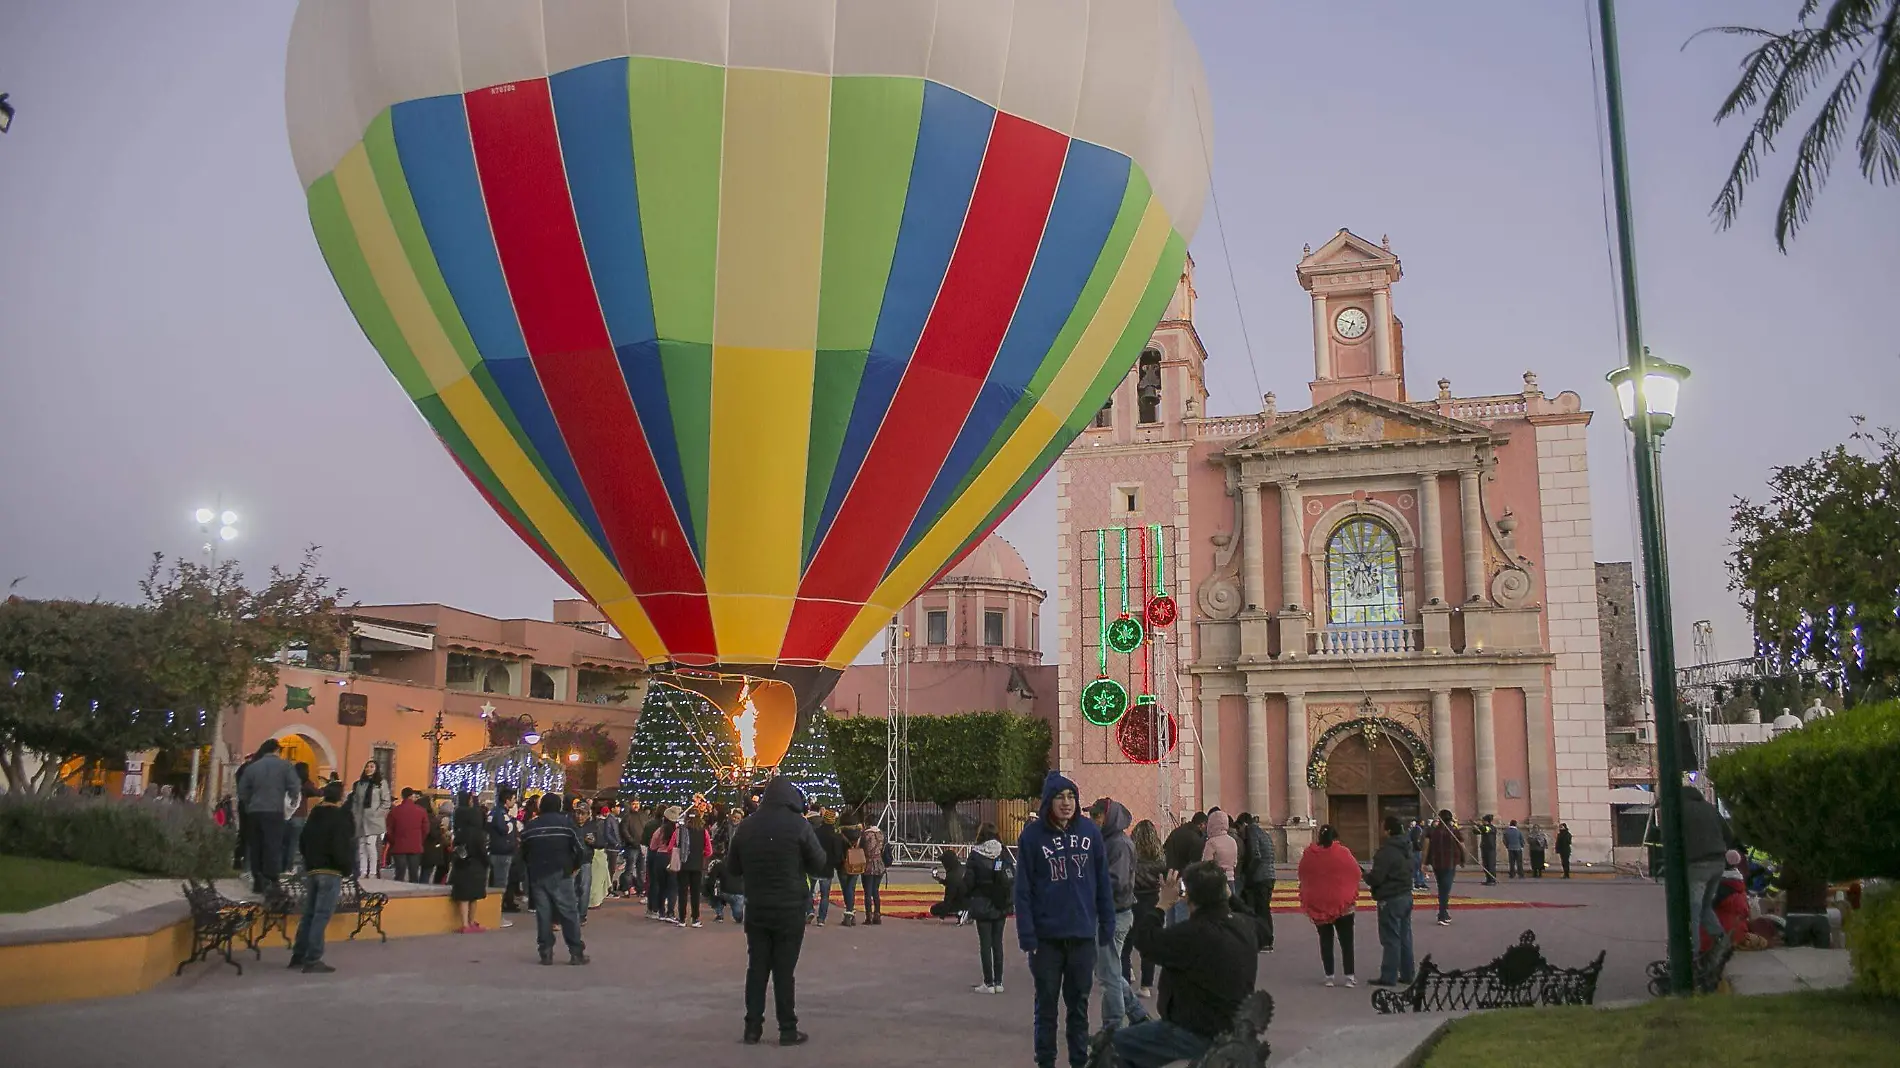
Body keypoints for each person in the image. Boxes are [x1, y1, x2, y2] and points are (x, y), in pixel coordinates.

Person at [1110, 862, 1259, 1068]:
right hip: (1233, 1026)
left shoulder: (1193, 933)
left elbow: (1145, 941)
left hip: (1196, 1030)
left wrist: (1161, 905)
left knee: (1117, 1044)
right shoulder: (1245, 926)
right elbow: (1261, 925)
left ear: (1189, 896)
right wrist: (1230, 897)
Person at [1015, 771, 1113, 1068]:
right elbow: (1022, 890)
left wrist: (1106, 923)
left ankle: (1078, 1062)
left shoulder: (1090, 833)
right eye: (1060, 797)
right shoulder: (1031, 837)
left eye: (1071, 797)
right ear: (1048, 801)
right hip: (1046, 941)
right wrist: (1027, 936)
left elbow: (1102, 883)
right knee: (1046, 1008)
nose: (1067, 803)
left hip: (1082, 937)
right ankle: (1045, 1061)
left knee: (1079, 1008)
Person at [726, 775, 828, 1047]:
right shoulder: (799, 826)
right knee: (784, 971)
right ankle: (787, 1028)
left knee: (756, 968)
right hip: (790, 907)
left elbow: (733, 868)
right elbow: (819, 863)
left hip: (757, 907)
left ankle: (752, 1029)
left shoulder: (746, 827)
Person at [1089, 798, 1152, 1031]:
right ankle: (1135, 1013)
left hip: (1115, 914)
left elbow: (1117, 881)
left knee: (1108, 975)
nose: (1092, 819)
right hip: (1107, 913)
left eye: (1096, 815)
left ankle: (1114, 1026)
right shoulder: (1106, 841)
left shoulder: (1119, 844)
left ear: (1108, 817)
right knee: (1109, 970)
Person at [289, 780, 355, 973]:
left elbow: (302, 842)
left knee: (309, 914)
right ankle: (313, 958)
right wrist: (346, 867)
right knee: (321, 915)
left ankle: (298, 954)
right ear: (340, 797)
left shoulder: (314, 815)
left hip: (312, 870)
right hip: (331, 870)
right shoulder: (340, 817)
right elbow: (341, 845)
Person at [520, 793, 587, 965]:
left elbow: (522, 852)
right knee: (569, 913)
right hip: (561, 873)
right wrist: (574, 867)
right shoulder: (567, 824)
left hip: (538, 874)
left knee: (544, 914)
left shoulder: (531, 826)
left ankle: (546, 951)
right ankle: (575, 952)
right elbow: (580, 850)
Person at [234, 739, 301, 892]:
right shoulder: (285, 766)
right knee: (272, 845)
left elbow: (242, 789)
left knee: (256, 845)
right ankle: (271, 879)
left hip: (255, 812)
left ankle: (258, 879)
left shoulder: (252, 767)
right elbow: (294, 785)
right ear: (277, 750)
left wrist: (249, 802)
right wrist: (292, 800)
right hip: (274, 811)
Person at [1298, 824, 1360, 987]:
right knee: (1346, 942)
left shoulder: (1310, 855)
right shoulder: (1343, 853)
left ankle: (1329, 976)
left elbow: (1302, 874)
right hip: (1343, 905)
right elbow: (1356, 873)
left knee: (1326, 941)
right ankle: (1349, 976)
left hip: (1319, 904)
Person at [962, 821, 1015, 994]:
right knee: (998, 943)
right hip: (1000, 902)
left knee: (985, 944)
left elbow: (969, 881)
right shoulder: (1003, 851)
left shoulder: (976, 855)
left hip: (982, 901)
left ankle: (988, 983)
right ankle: (999, 982)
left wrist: (966, 897)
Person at [1364, 816, 1416, 988]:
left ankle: (1389, 975)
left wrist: (1364, 875)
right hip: (1406, 894)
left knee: (1391, 938)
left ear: (1387, 830)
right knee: (1405, 936)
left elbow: (1377, 878)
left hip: (1390, 898)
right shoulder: (1406, 847)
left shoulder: (1386, 852)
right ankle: (1408, 973)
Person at [1681, 785, 1736, 947]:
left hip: (1697, 864)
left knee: (1693, 910)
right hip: (1718, 863)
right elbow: (1729, 835)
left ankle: (1693, 953)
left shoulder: (1681, 810)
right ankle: (1722, 943)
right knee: (1705, 906)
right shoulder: (1710, 808)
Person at [1128, 819, 1168, 998]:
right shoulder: (1159, 857)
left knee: (1127, 940)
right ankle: (1146, 986)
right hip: (1153, 899)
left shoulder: (1131, 855)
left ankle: (1127, 972)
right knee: (1148, 943)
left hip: (1133, 899)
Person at [449, 791, 490, 933]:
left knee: (464, 896)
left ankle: (465, 924)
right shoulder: (478, 834)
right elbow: (482, 851)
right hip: (477, 866)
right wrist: (487, 862)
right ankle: (470, 922)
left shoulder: (459, 831)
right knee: (474, 896)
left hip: (462, 864)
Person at [1235, 812, 1276, 952]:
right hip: (1269, 875)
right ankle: (1267, 939)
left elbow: (1255, 855)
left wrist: (1248, 874)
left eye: (1239, 828)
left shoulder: (1251, 831)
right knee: (1264, 909)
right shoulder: (1263, 832)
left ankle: (1265, 941)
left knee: (1261, 910)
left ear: (1244, 824)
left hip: (1260, 876)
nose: (1240, 833)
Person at [347, 761, 391, 879]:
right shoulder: (360, 784)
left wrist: (377, 813)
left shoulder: (381, 783)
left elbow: (386, 802)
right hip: (361, 819)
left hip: (374, 820)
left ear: (376, 769)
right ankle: (362, 871)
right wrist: (355, 814)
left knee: (370, 845)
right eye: (367, 766)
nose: (369, 768)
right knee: (361, 846)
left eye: (372, 766)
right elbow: (356, 802)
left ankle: (372, 872)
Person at [1425, 810, 1465, 926]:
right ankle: (1442, 914)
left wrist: (1425, 862)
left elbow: (1426, 847)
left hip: (1437, 863)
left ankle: (1444, 913)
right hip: (1450, 863)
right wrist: (1462, 859)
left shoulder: (1432, 831)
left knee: (1442, 887)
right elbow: (1461, 845)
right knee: (1445, 889)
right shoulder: (1454, 831)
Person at [487, 784, 521, 918]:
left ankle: (494, 910)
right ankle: (496, 913)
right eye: (513, 798)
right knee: (500, 883)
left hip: (498, 851)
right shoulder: (500, 814)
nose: (515, 801)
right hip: (502, 852)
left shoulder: (495, 812)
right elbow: (504, 829)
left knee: (497, 881)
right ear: (507, 800)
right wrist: (512, 824)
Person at [673, 811, 711, 927]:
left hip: (683, 865)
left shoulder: (680, 831)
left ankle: (682, 919)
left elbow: (672, 846)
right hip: (697, 865)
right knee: (695, 893)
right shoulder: (703, 831)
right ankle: (695, 918)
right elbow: (709, 850)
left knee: (682, 892)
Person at [385, 789, 429, 883]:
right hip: (415, 845)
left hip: (399, 845)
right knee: (414, 873)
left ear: (402, 796)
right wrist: (420, 840)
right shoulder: (421, 811)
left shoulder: (394, 811)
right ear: (411, 796)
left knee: (399, 873)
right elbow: (425, 829)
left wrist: (393, 841)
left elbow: (389, 829)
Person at [284, 761, 321, 874]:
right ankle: (289, 868)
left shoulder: (288, 781)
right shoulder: (305, 783)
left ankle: (281, 865)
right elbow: (317, 792)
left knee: (284, 842)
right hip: (299, 815)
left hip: (285, 815)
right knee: (294, 843)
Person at [810, 809, 844, 927]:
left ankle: (809, 910)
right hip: (827, 867)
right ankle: (821, 919)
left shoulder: (816, 832)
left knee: (810, 891)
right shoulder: (835, 836)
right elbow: (837, 854)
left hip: (814, 865)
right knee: (825, 895)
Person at [648, 806, 679, 920]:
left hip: (660, 857)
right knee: (673, 886)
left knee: (661, 886)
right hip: (673, 857)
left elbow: (652, 846)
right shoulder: (678, 830)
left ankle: (661, 911)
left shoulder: (660, 830)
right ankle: (670, 912)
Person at [837, 810, 866, 928]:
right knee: (851, 888)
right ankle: (851, 914)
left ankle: (849, 914)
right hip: (856, 864)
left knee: (846, 889)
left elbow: (838, 851)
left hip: (843, 865)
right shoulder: (860, 834)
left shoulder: (840, 834)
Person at [1200, 810, 1238, 893]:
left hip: (1216, 881)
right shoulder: (1232, 841)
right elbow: (1235, 862)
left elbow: (1206, 864)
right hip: (1231, 879)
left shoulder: (1211, 842)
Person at [860, 818, 887, 925]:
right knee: (875, 890)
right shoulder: (881, 834)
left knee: (867, 891)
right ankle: (877, 915)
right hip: (879, 864)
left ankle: (868, 917)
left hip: (868, 864)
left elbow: (862, 848)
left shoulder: (865, 835)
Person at [1476, 814, 1499, 885]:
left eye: (1483, 821)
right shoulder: (1485, 828)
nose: (1482, 822)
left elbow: (1485, 829)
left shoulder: (1491, 828)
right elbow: (1477, 832)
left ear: (1486, 821)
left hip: (1490, 849)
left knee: (1491, 864)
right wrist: (1474, 827)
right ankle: (1488, 879)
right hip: (1484, 848)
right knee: (1485, 865)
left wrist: (1478, 825)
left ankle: (1492, 880)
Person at [1407, 819, 1428, 890]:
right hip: (1417, 851)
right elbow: (1416, 840)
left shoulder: (1418, 829)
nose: (1424, 822)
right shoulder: (1418, 830)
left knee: (1418, 867)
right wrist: (1420, 848)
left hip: (1416, 850)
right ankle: (1418, 883)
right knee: (1418, 867)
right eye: (1423, 821)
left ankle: (1419, 882)